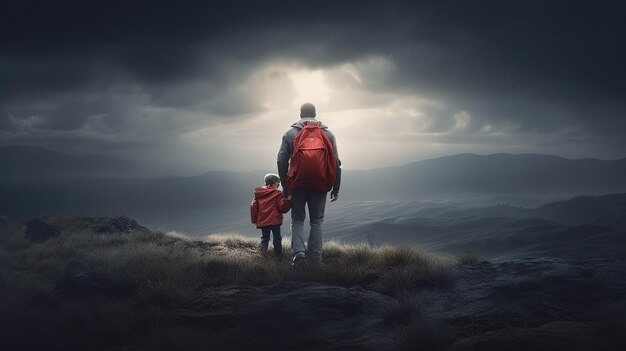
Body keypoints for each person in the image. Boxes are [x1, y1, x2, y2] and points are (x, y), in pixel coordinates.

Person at [277, 102, 341, 265]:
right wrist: (336, 187)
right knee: (316, 221)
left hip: (297, 184)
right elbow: (335, 162)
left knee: (297, 220)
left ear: (300, 114)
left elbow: (281, 160)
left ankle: (298, 255)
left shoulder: (290, 134)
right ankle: (314, 258)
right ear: (315, 114)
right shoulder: (328, 134)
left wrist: (285, 186)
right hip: (320, 183)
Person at [250, 173, 292, 258]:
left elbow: (253, 207)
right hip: (275, 221)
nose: (279, 185)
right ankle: (279, 256)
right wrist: (289, 201)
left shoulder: (259, 194)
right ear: (273, 183)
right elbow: (282, 208)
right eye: (278, 183)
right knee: (277, 238)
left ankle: (263, 255)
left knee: (265, 238)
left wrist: (255, 220)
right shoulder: (277, 193)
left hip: (263, 221)